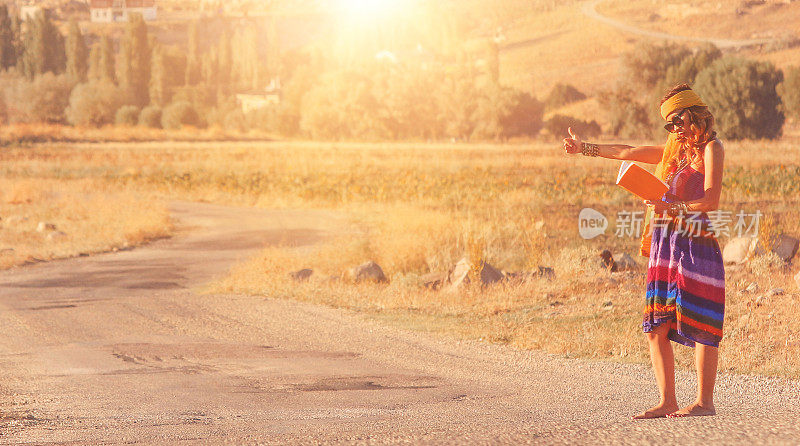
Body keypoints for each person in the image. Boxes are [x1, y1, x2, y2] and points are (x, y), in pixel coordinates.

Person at [563, 84, 725, 419]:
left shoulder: (712, 147)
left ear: (693, 112)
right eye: (669, 124)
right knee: (656, 325)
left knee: (701, 321)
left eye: (677, 120)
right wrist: (584, 148)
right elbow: (628, 151)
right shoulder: (673, 152)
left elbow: (711, 200)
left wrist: (671, 205)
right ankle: (668, 401)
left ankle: (704, 403)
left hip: (695, 240)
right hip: (665, 244)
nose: (674, 129)